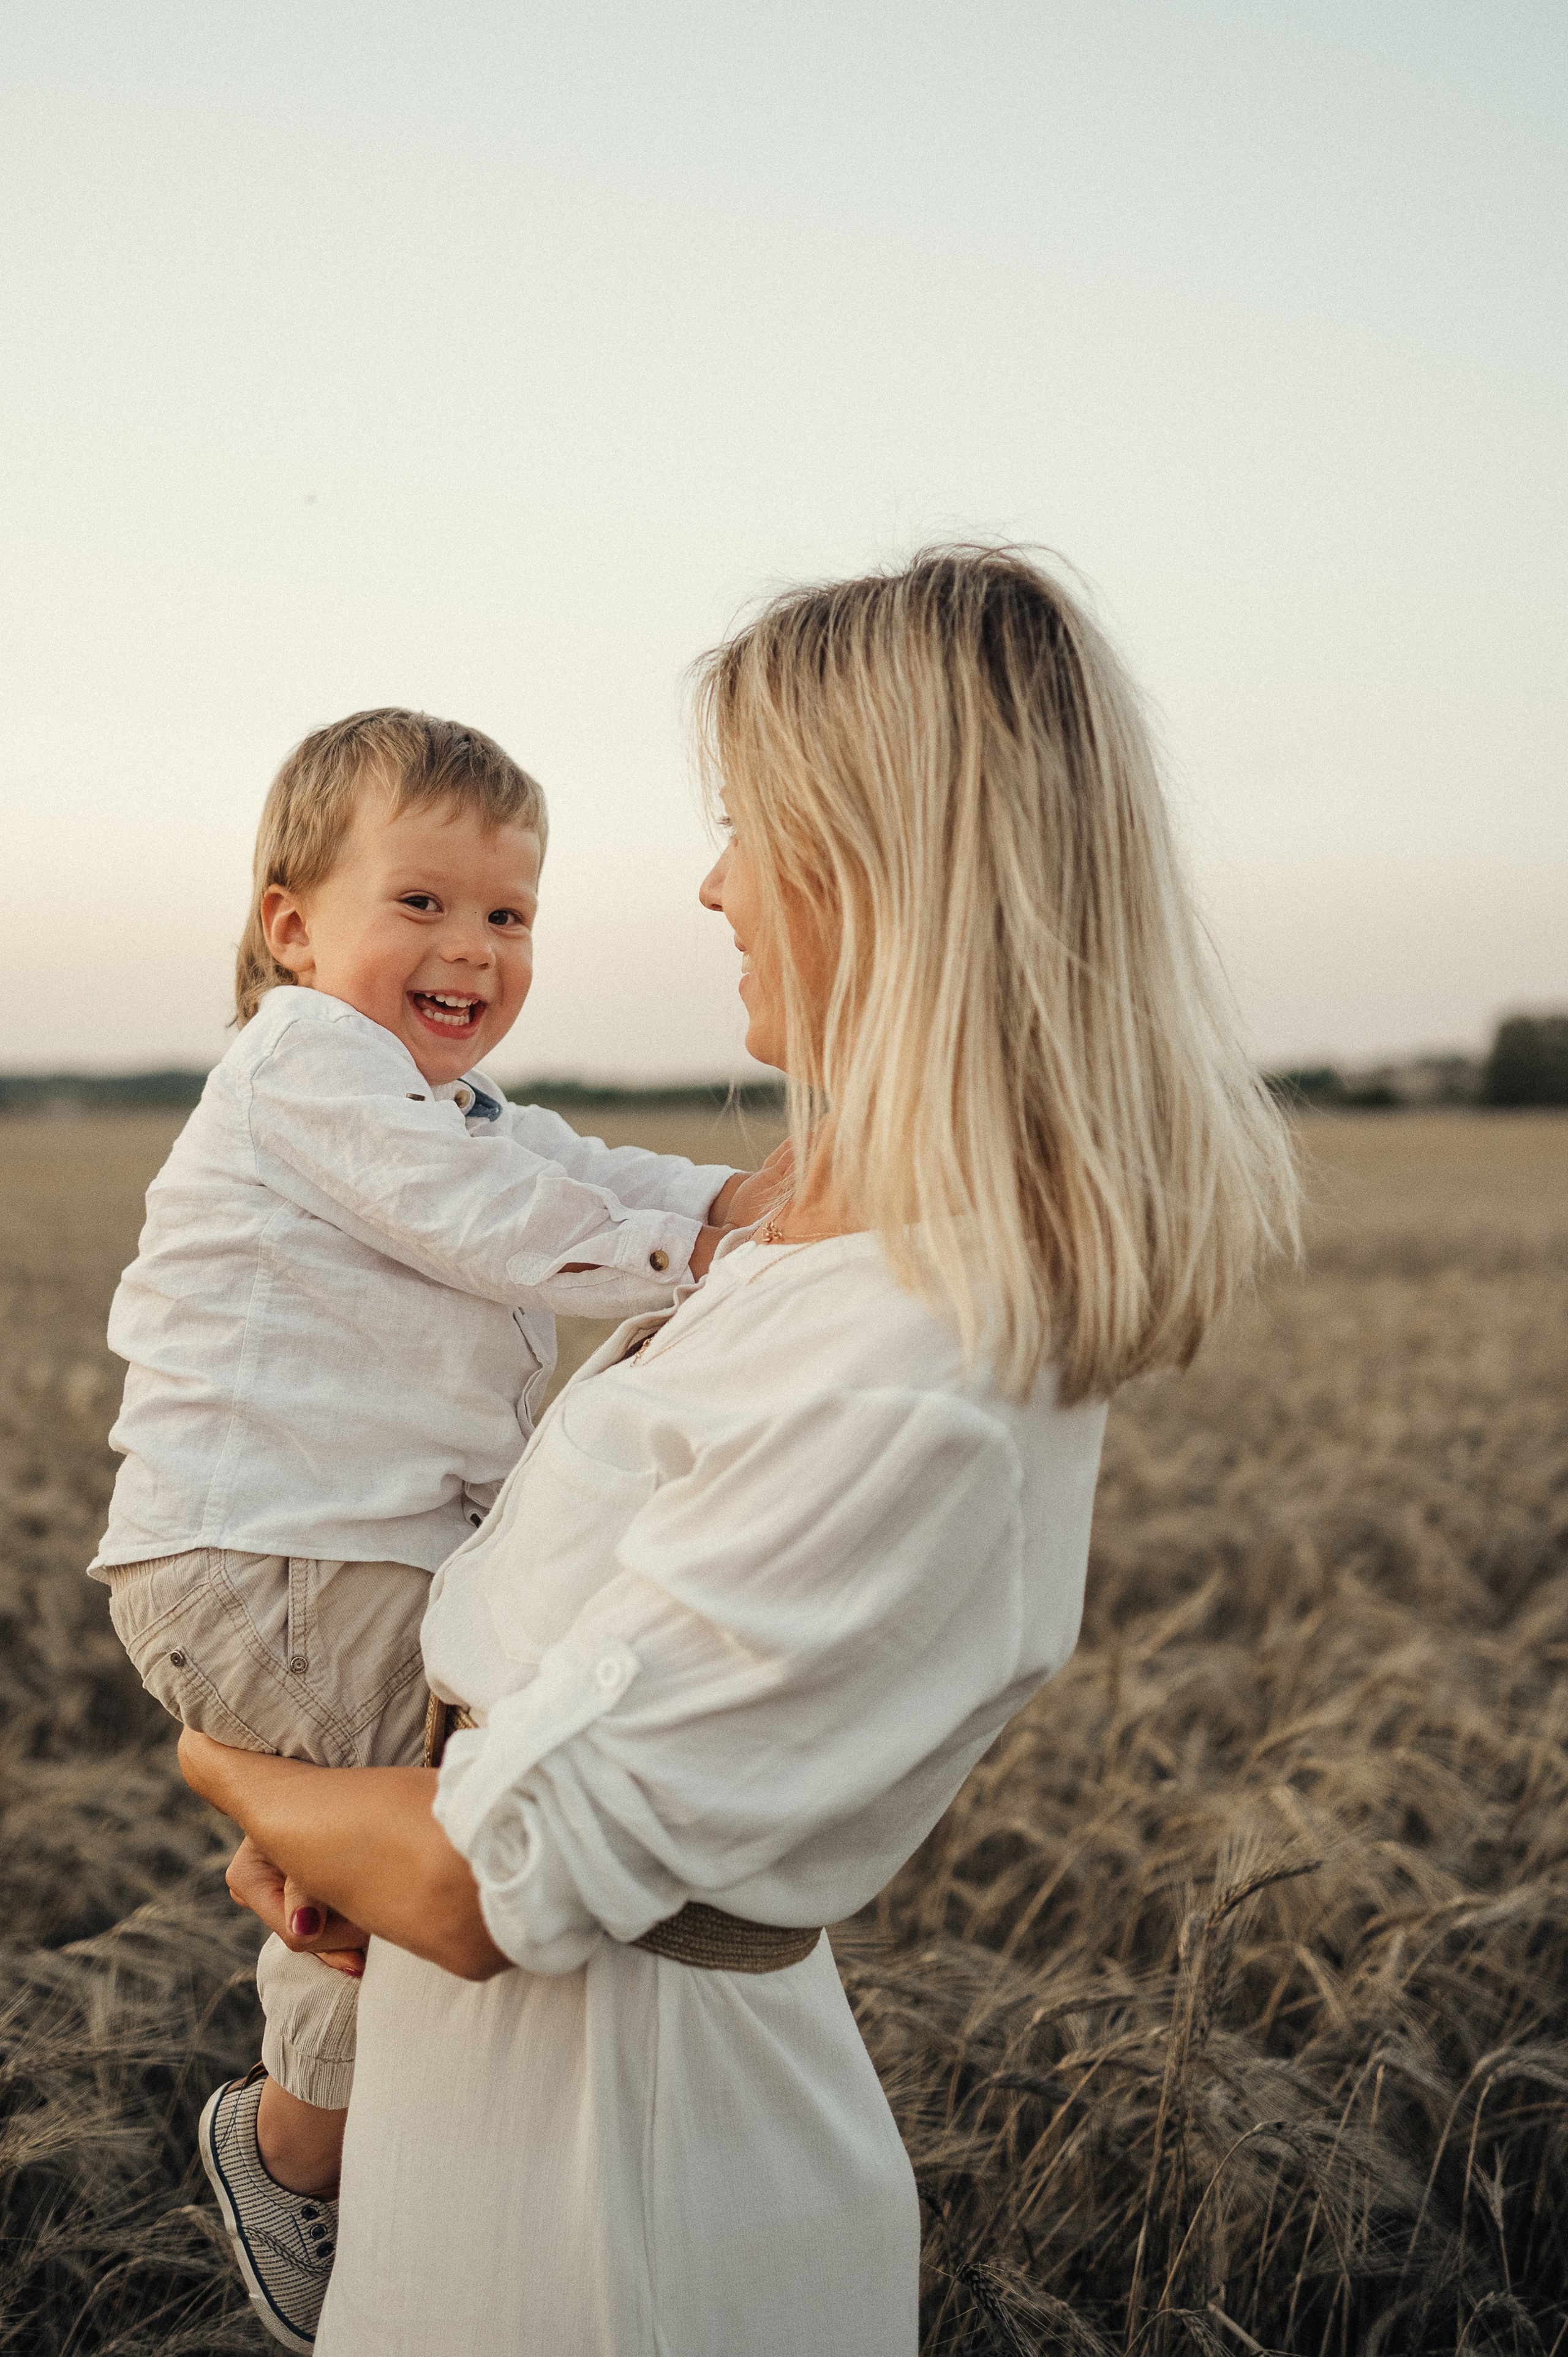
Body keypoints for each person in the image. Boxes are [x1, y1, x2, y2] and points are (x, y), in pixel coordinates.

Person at [179, 551, 1298, 2357]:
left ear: (891, 864)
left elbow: (488, 1881)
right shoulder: (795, 1269)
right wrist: (337, 1838)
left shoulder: (919, 1361)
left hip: (628, 2210)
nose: (712, 886)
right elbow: (491, 1773)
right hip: (480, 2135)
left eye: (750, 827)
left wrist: (228, 1762)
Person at [92, 707, 777, 2347]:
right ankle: (331, 2172)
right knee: (448, 1859)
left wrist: (742, 1201)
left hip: (318, 1559)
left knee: (371, 1902)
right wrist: (711, 1261)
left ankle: (311, 2161)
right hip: (268, 1560)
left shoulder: (443, 1101)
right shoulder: (310, 1066)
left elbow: (565, 1159)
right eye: (423, 903)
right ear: (291, 928)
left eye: (509, 914)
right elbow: (488, 1224)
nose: (472, 948)